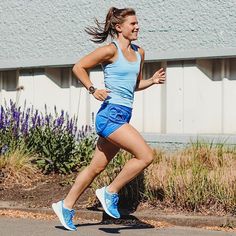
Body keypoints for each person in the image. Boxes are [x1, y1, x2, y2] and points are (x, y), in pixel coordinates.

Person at [52, 7, 166, 231]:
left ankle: (65, 206)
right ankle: (110, 191)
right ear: (118, 27)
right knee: (145, 156)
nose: (137, 27)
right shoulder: (110, 51)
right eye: (132, 24)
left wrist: (151, 81)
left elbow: (133, 86)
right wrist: (93, 89)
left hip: (123, 113)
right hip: (110, 115)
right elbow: (79, 67)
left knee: (96, 167)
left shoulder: (139, 52)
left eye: (137, 23)